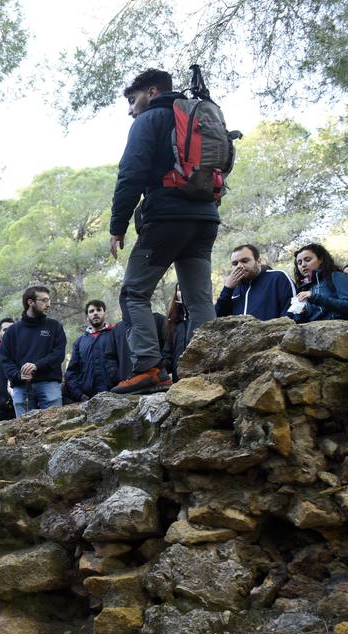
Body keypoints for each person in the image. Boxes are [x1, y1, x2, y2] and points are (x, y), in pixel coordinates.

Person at [108, 68, 220, 394]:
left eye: (133, 100)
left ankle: (149, 369)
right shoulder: (199, 117)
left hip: (166, 220)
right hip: (205, 219)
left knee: (133, 293)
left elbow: (130, 174)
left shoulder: (149, 120)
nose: (130, 109)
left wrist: (118, 227)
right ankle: (208, 366)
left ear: (152, 92)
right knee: (199, 299)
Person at [0, 285, 66, 416]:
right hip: (21, 389)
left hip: (49, 385)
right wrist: (18, 375)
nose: (48, 304)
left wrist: (36, 366)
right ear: (30, 302)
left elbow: (59, 354)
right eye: (44, 300)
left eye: (49, 300)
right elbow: (5, 359)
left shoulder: (55, 327)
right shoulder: (12, 332)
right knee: (25, 434)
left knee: (55, 431)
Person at [215, 244, 295, 320]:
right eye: (235, 263)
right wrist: (227, 289)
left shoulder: (278, 277)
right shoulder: (231, 288)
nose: (239, 266)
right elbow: (217, 319)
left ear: (258, 261)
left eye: (244, 261)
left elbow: (292, 310)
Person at [64, 300, 122, 402]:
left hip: (115, 393)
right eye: (91, 311)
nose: (95, 313)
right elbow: (72, 372)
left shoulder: (116, 334)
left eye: (99, 310)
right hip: (88, 397)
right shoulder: (80, 342)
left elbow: (125, 361)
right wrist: (79, 395)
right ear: (87, 317)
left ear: (105, 314)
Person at [288, 244, 348, 322]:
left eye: (308, 260)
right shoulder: (305, 288)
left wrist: (315, 297)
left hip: (343, 330)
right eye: (299, 263)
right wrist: (300, 313)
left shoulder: (337, 276)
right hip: (316, 332)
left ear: (321, 259)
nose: (303, 265)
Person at [161, 287, 191, 381]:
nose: (182, 293)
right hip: (178, 380)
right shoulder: (173, 322)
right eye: (179, 290)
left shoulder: (203, 316)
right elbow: (167, 355)